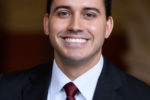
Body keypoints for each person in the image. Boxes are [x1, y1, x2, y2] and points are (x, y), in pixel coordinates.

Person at [0, 0, 150, 100]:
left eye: (89, 15)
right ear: (46, 23)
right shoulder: (4, 89)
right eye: (64, 13)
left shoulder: (142, 95)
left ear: (108, 27)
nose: (75, 26)